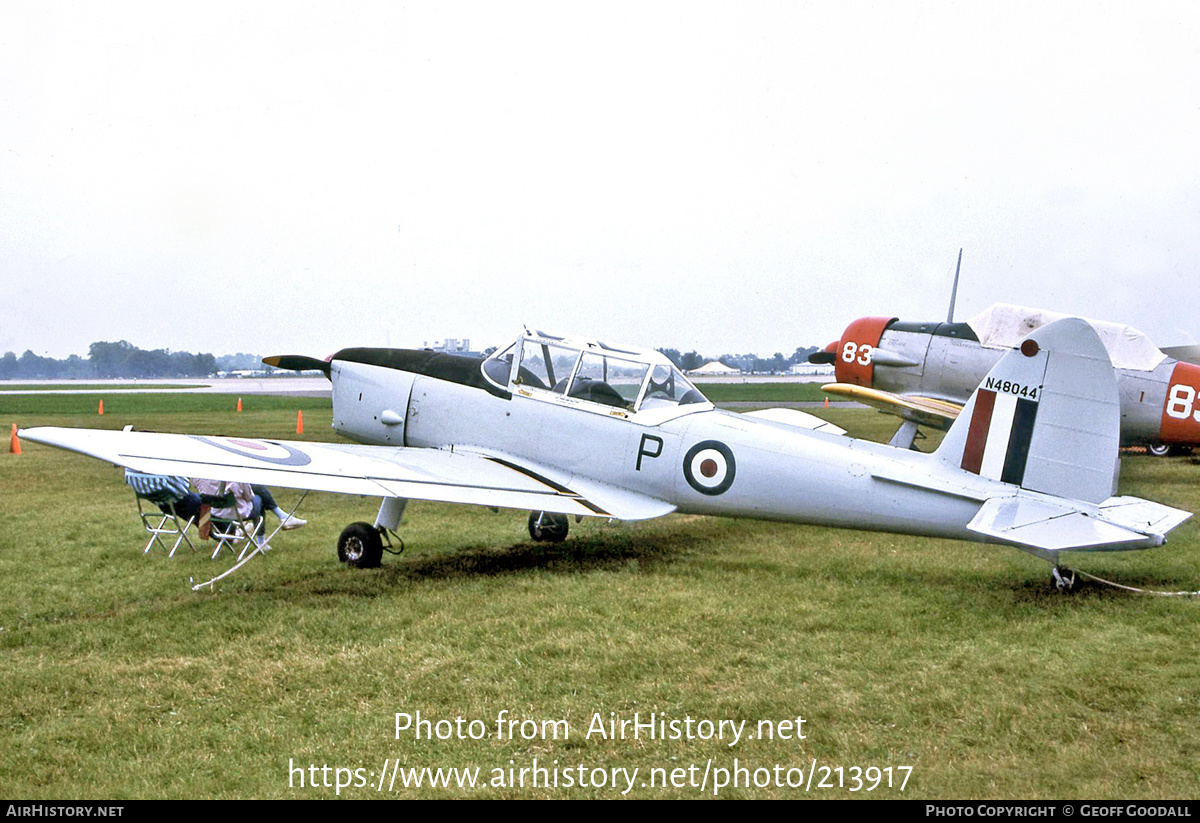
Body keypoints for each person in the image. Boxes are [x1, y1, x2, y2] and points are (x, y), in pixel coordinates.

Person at [194, 479, 307, 544]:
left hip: (214, 513)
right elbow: (249, 496)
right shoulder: (235, 476)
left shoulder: (199, 477)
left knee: (258, 489)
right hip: (238, 513)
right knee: (259, 499)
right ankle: (261, 542)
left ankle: (283, 516)